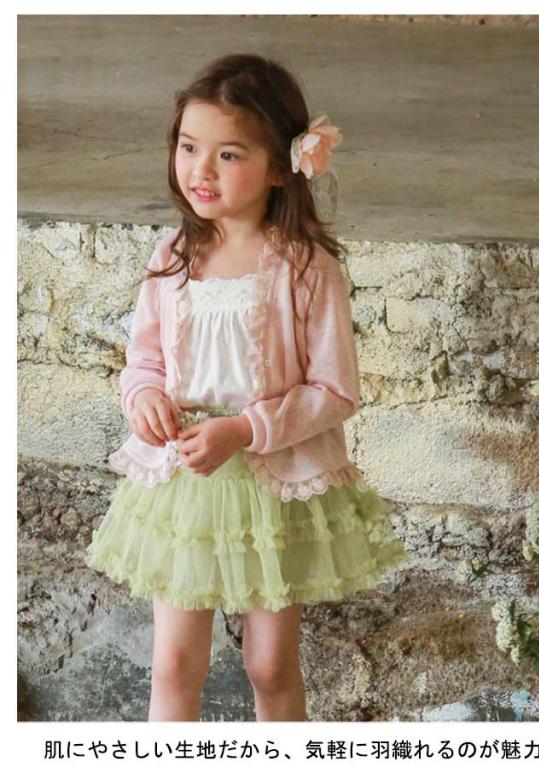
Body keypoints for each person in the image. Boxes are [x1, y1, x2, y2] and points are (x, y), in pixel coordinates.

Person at [84, 53, 409, 722]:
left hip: (272, 483)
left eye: (228, 154)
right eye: (189, 147)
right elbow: (143, 358)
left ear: (281, 167)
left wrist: (244, 429)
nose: (200, 170)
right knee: (174, 664)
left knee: (269, 664)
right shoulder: (173, 256)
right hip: (184, 482)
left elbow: (335, 389)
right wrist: (144, 397)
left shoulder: (304, 267)